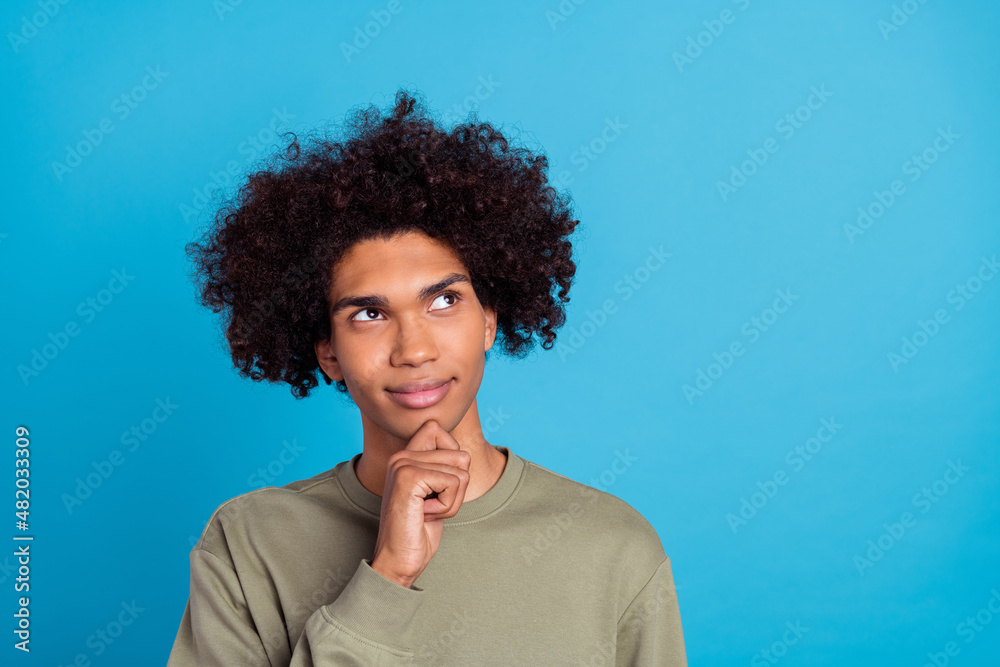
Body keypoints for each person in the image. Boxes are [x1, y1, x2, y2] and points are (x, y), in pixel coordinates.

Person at [166, 87, 687, 666]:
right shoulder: (250, 543)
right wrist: (389, 576)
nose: (414, 349)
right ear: (329, 354)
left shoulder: (612, 546)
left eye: (444, 301)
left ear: (489, 321)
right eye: (369, 314)